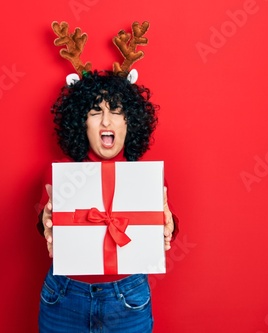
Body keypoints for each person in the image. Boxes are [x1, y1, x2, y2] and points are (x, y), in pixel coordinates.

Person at [36, 69, 179, 333]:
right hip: (64, 295)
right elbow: (48, 224)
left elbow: (156, 222)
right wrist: (44, 221)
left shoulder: (147, 176)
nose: (106, 122)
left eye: (115, 111)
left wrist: (170, 225)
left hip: (128, 297)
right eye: (94, 112)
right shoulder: (58, 171)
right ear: (81, 123)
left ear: (129, 121)